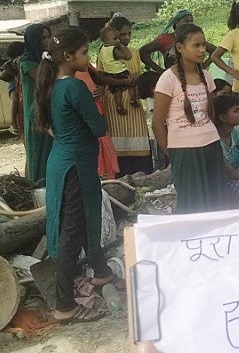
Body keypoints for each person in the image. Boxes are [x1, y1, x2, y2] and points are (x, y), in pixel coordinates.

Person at [35, 29, 114, 324]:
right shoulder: (75, 87)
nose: (88, 57)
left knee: (79, 219)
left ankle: (102, 271)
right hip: (76, 167)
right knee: (72, 229)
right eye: (84, 53)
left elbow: (44, 122)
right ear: (68, 57)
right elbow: (98, 127)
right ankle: (64, 305)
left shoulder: (49, 85)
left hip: (61, 162)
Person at [152, 24, 225, 213]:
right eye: (196, 45)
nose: (202, 50)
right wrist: (174, 155)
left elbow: (211, 115)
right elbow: (157, 124)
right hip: (184, 151)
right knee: (193, 207)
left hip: (212, 146)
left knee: (217, 202)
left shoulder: (207, 77)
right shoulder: (167, 79)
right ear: (180, 48)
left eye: (204, 45)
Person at [99, 16, 154, 177]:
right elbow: (101, 76)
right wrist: (121, 81)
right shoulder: (105, 53)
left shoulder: (135, 53)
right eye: (122, 34)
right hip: (114, 101)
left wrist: (137, 77)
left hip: (133, 101)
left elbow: (139, 73)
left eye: (129, 34)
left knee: (138, 140)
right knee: (119, 142)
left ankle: (143, 177)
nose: (126, 38)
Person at [19, 23, 54, 184]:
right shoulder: (28, 61)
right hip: (36, 113)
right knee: (39, 155)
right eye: (43, 38)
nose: (47, 41)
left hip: (48, 110)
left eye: (48, 37)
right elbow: (44, 78)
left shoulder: (45, 58)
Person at [139, 9, 217, 72]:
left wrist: (203, 66)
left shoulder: (195, 39)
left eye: (191, 21)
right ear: (176, 23)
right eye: (186, 21)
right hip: (172, 78)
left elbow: (215, 51)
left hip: (194, 76)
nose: (190, 24)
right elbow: (143, 51)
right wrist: (158, 70)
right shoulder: (164, 39)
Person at [98, 26, 138, 115]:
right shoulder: (113, 49)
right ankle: (133, 99)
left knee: (117, 90)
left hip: (110, 73)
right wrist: (121, 46)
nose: (118, 40)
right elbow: (127, 56)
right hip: (120, 72)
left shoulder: (101, 51)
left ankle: (119, 105)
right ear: (106, 40)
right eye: (115, 38)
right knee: (131, 84)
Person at [0, 42, 24, 136]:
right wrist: (15, 75)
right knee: (15, 99)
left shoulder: (19, 60)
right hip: (12, 86)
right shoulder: (12, 61)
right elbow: (5, 68)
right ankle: (13, 123)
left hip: (16, 84)